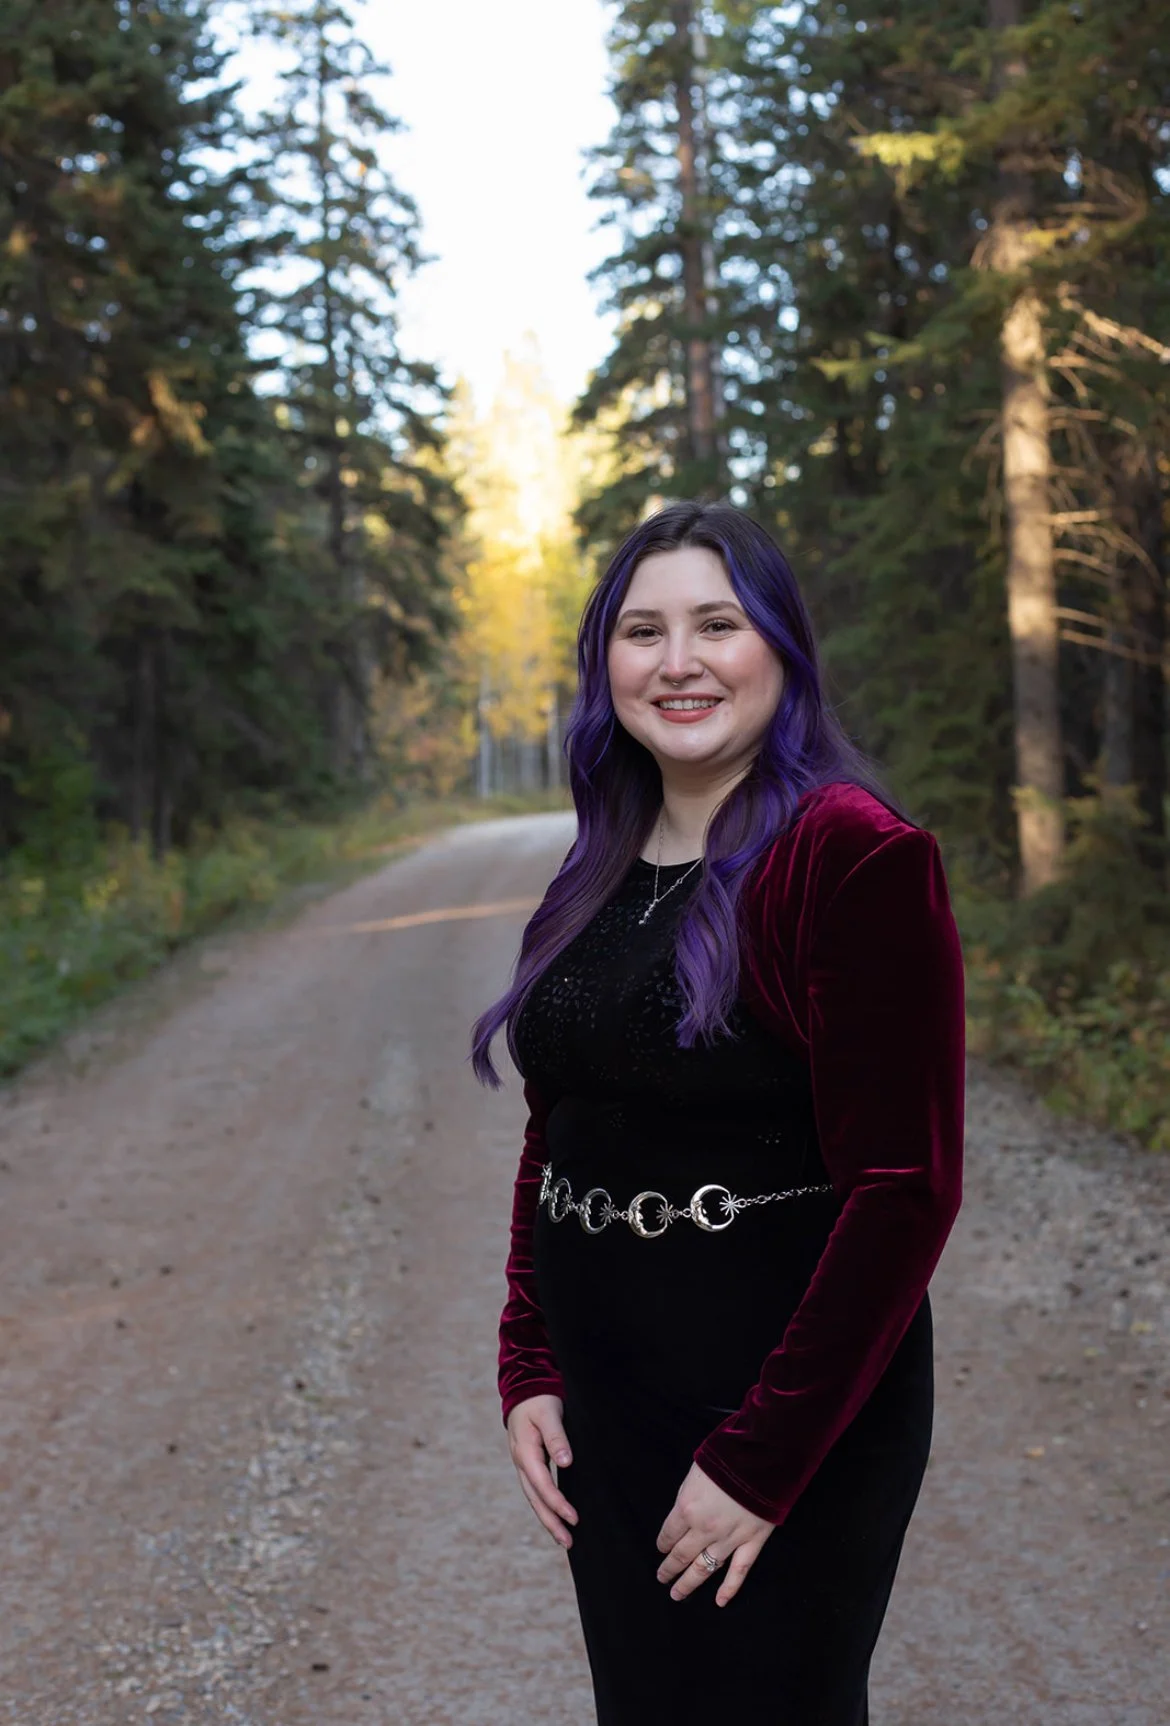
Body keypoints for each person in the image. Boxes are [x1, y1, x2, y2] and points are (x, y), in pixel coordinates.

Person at [470, 501, 965, 1725]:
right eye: (643, 630)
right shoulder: (601, 859)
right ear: (607, 666)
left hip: (784, 1399)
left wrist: (760, 1461)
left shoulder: (852, 855)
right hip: (610, 1392)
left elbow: (907, 1190)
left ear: (781, 649)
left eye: (716, 624)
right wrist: (528, 1356)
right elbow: (563, 1128)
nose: (677, 661)